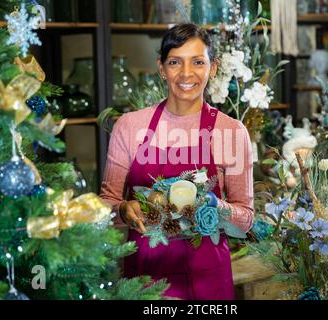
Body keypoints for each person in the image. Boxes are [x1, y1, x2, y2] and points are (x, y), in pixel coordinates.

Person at [100, 23, 254, 300]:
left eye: (197, 62)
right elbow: (103, 207)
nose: (186, 73)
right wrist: (123, 210)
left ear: (213, 68)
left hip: (208, 282)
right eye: (175, 62)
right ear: (161, 68)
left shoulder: (231, 132)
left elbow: (245, 220)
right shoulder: (129, 126)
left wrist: (215, 206)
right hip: (144, 279)